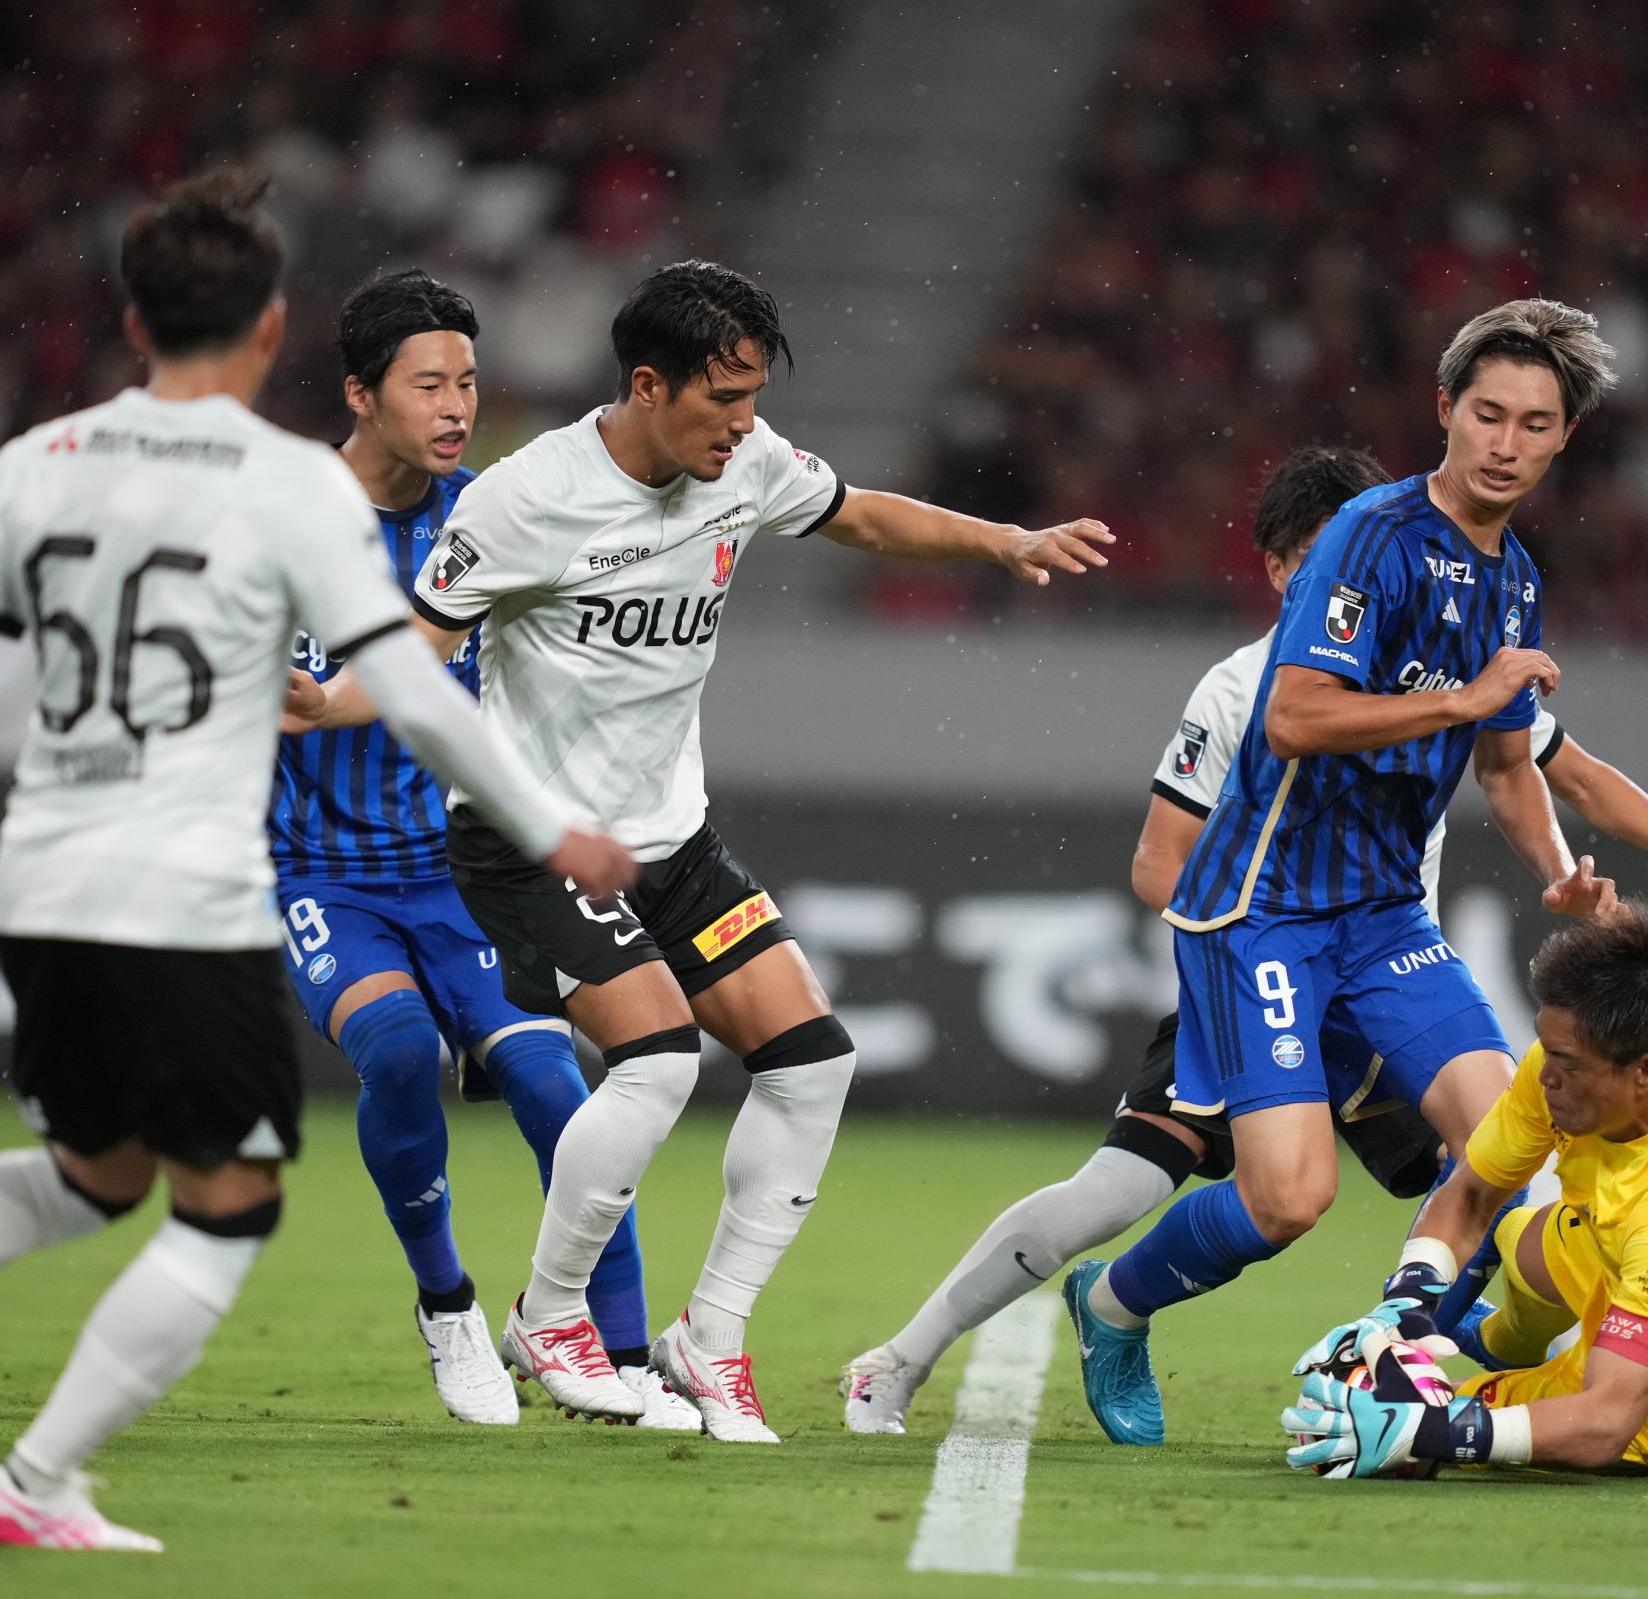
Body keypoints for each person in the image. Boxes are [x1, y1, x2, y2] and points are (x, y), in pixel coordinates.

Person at [0, 170, 628, 1549]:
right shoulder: (285, 487)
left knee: (92, 1165)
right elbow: (417, 684)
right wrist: (546, 817)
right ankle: (31, 1480)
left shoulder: (38, 460)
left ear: (135, 320)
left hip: (42, 873)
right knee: (226, 1202)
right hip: (189, 884)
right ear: (273, 334)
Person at [288, 259, 1113, 1443]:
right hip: (537, 846)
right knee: (659, 1062)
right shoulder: (524, 501)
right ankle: (552, 1315)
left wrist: (1002, 542)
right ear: (645, 385)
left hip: (671, 841)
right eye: (722, 399)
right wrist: (322, 702)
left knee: (812, 1061)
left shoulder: (749, 464)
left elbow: (860, 513)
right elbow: (417, 650)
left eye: (753, 397)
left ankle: (707, 1335)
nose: (746, 424)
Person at [843, 446, 1648, 1435]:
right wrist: (1252, 965)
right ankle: (908, 1357)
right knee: (1136, 1187)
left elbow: (1560, 770)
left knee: (1515, 1156)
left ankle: (1450, 1359)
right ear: (1278, 572)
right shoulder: (1242, 690)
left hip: (1383, 967)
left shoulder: (1445, 644)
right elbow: (1158, 867)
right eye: (1327, 559)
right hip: (1258, 968)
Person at [1063, 299, 1623, 1448]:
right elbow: (1294, 714)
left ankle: (1398, 1359)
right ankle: (1111, 1305)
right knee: (1290, 1198)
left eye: (1534, 422)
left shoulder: (1514, 579)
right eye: (1486, 414)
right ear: (1444, 411)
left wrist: (1558, 871)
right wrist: (1461, 699)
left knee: (1515, 1148)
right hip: (1259, 909)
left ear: (1564, 438)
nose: (1505, 443)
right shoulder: (1369, 534)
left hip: (1380, 917)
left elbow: (1509, 767)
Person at [272, 269, 689, 1428]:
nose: (456, 403)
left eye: (467, 379)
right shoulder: (286, 521)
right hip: (324, 874)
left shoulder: (493, 517)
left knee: (561, 1088)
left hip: (466, 871)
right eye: (428, 383)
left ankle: (623, 1356)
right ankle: (448, 1306)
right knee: (399, 1053)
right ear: (361, 393)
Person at [1282, 906, 1648, 1477]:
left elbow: (1607, 1422)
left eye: (1567, 1064)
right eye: (1545, 1048)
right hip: (1615, 1242)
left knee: (1395, 1432)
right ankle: (1498, 1339)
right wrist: (1407, 1303)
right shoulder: (1598, 1059)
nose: (1544, 1076)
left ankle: (1490, 1377)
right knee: (1516, 1237)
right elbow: (1473, 1195)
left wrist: (1435, 1430)